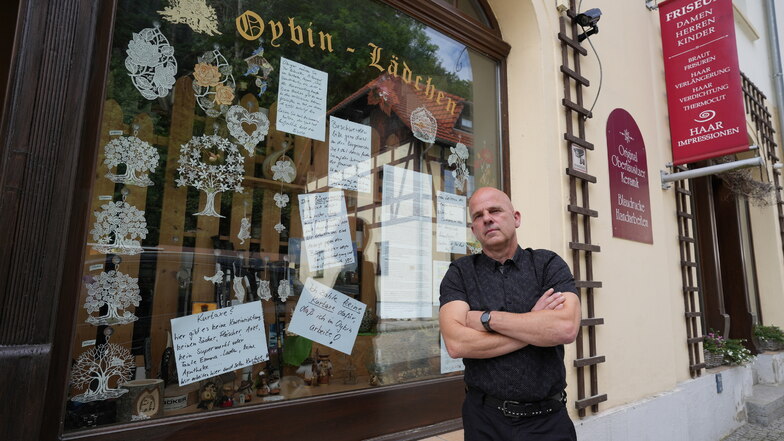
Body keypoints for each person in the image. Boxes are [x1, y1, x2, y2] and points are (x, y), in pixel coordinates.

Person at [440, 187, 581, 441]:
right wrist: (534, 325)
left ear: (516, 218)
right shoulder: (459, 273)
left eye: (495, 210)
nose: (487, 218)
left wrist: (486, 319)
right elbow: (456, 343)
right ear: (474, 230)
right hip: (485, 421)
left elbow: (565, 328)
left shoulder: (547, 265)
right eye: (478, 216)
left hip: (547, 421)